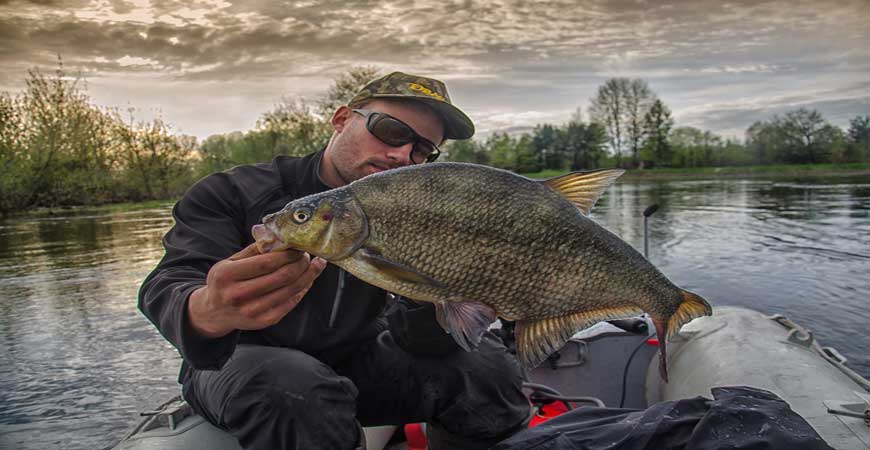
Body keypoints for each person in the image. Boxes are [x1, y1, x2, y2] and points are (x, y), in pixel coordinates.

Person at [139, 71, 531, 450]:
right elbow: (169, 282)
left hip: (359, 357)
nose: (401, 155)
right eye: (390, 131)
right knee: (292, 387)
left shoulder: (421, 212)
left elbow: (415, 337)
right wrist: (205, 309)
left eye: (422, 150)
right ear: (342, 119)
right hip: (234, 364)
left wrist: (459, 295)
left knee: (487, 369)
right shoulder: (233, 191)